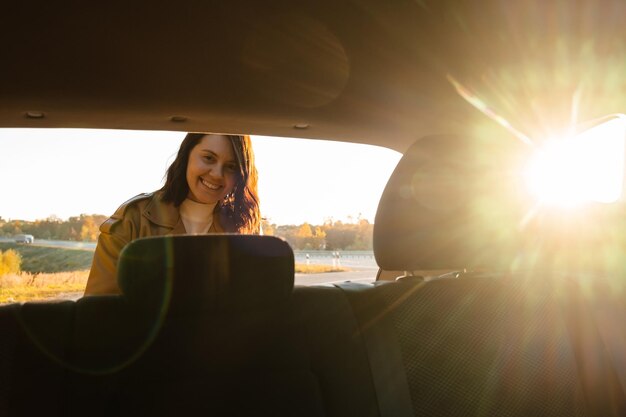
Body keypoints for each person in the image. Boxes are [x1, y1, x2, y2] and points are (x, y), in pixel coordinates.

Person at [84, 133, 260, 295]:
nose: (217, 174)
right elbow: (100, 311)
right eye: (208, 158)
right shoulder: (133, 218)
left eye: (230, 167)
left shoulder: (243, 228)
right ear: (187, 155)